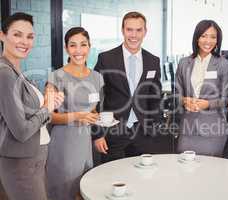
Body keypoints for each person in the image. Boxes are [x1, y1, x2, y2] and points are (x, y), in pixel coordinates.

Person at [0, 12, 64, 200]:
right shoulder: (4, 74)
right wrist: (46, 108)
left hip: (33, 158)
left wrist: (48, 105)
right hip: (20, 163)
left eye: (30, 36)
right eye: (17, 34)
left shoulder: (16, 72)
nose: (24, 41)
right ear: (2, 36)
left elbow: (33, 117)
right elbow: (21, 131)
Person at [93, 11, 161, 163]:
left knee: (142, 178)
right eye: (129, 29)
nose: (134, 35)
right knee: (112, 178)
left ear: (145, 32)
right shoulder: (106, 58)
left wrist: (155, 128)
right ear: (122, 30)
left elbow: (155, 98)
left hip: (143, 133)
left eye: (139, 30)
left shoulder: (153, 61)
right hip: (113, 131)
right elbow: (96, 98)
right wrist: (97, 134)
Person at [46, 27, 104, 200]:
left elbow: (93, 109)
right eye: (73, 45)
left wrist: (96, 118)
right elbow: (48, 116)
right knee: (64, 193)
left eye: (83, 45)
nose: (78, 51)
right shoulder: (55, 77)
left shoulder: (97, 77)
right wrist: (78, 116)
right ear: (66, 48)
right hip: (63, 144)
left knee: (84, 191)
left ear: (89, 46)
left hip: (85, 143)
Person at [175, 20, 228, 156]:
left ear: (218, 41)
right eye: (204, 36)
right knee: (185, 169)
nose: (208, 41)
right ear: (197, 38)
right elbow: (175, 95)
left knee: (210, 172)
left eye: (213, 37)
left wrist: (207, 104)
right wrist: (184, 101)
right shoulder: (184, 63)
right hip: (188, 128)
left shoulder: (224, 64)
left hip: (213, 128)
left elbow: (226, 99)